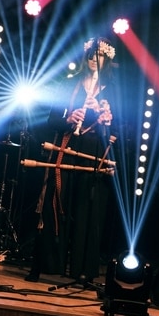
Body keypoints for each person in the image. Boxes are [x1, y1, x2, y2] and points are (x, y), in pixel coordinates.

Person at [26, 37, 117, 285]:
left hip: (94, 154)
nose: (94, 59)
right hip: (66, 148)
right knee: (54, 204)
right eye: (91, 54)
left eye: (100, 55)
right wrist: (69, 119)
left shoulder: (113, 91)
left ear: (107, 60)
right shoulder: (69, 84)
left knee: (87, 210)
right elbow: (51, 120)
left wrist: (106, 119)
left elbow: (121, 130)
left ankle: (81, 270)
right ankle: (45, 264)